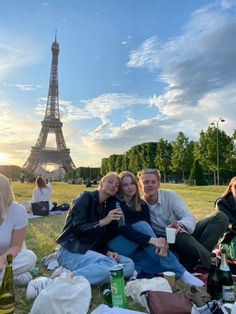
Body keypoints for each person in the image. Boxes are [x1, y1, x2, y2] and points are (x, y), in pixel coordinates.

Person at [107, 171, 204, 286]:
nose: (129, 187)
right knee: (142, 226)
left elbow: (149, 232)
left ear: (136, 185)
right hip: (116, 247)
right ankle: (182, 273)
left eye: (132, 183)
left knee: (170, 256)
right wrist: (154, 241)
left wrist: (161, 243)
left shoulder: (142, 205)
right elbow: (123, 229)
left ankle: (137, 269)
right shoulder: (114, 202)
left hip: (136, 250)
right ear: (121, 188)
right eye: (125, 185)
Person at [137, 169, 229, 271]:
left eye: (153, 182)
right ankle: (216, 265)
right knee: (179, 236)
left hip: (184, 231)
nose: (150, 185)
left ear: (158, 184)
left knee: (221, 217)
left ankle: (194, 260)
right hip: (168, 242)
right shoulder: (139, 205)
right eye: (146, 182)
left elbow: (188, 216)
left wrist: (180, 225)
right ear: (140, 185)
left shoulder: (170, 196)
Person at [54, 172, 135, 285]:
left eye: (117, 185)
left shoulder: (103, 208)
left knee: (129, 264)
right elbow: (78, 229)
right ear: (101, 183)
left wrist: (107, 252)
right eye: (110, 181)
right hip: (70, 250)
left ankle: (92, 272)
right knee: (111, 265)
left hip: (88, 251)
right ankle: (65, 280)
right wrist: (103, 222)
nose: (114, 186)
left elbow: (98, 240)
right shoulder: (85, 196)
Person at [0, 174, 37, 286]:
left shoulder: (17, 211)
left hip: (11, 256)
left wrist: (2, 260)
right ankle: (13, 277)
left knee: (30, 257)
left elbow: (16, 246)